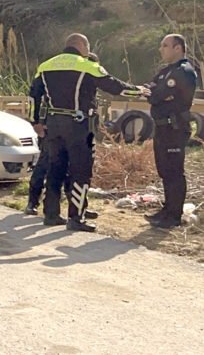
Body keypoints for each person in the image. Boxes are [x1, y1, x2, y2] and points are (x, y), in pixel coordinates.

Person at [28, 33, 142, 232]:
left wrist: (35, 121)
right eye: (87, 47)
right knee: (81, 171)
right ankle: (76, 218)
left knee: (55, 169)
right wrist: (140, 91)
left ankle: (51, 215)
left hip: (54, 125)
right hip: (80, 126)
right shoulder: (87, 65)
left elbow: (32, 97)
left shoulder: (45, 65)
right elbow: (115, 87)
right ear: (82, 45)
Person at [25, 51, 102, 219]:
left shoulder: (83, 84)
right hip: (50, 128)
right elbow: (36, 100)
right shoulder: (59, 81)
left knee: (71, 170)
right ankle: (33, 202)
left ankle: (78, 206)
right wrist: (38, 123)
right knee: (46, 166)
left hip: (71, 131)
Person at [140, 34, 199, 229]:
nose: (161, 49)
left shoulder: (184, 71)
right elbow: (150, 91)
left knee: (174, 171)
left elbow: (158, 95)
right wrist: (156, 93)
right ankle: (167, 209)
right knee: (164, 170)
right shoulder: (166, 71)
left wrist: (157, 94)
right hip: (162, 127)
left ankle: (175, 215)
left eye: (165, 45)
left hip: (175, 127)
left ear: (178, 48)